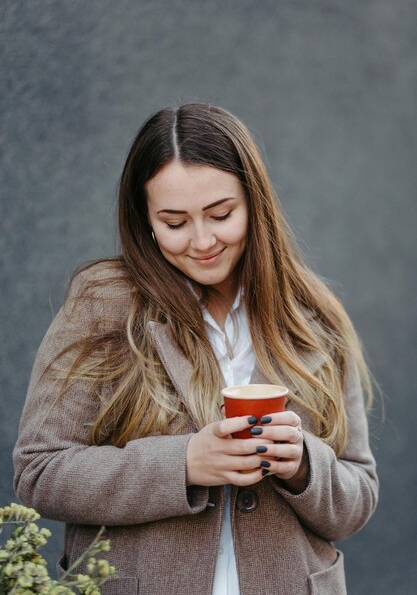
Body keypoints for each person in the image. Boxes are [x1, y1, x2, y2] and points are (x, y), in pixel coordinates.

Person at [13, 103, 378, 595]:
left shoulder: (312, 314)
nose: (202, 241)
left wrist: (303, 465)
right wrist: (185, 463)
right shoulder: (103, 305)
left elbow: (357, 498)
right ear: (144, 219)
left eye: (221, 214)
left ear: (255, 203)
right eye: (174, 221)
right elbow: (40, 472)